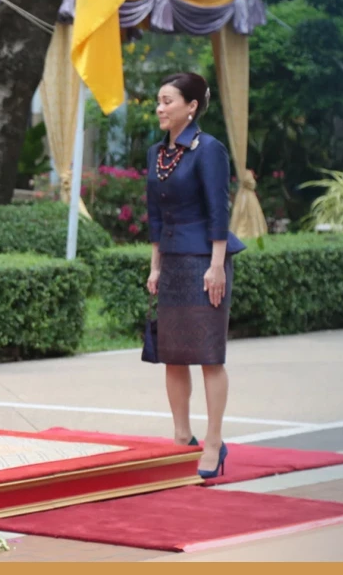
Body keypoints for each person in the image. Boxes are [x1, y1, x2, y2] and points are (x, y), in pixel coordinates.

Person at [145, 72, 246, 480]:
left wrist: (217, 265)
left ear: (191, 107)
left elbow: (218, 209)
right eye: (158, 100)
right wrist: (155, 265)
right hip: (171, 260)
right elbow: (153, 213)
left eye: (168, 101)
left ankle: (214, 441)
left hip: (205, 260)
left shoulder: (209, 149)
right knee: (173, 354)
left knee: (207, 355)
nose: (160, 107)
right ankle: (181, 436)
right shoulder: (156, 152)